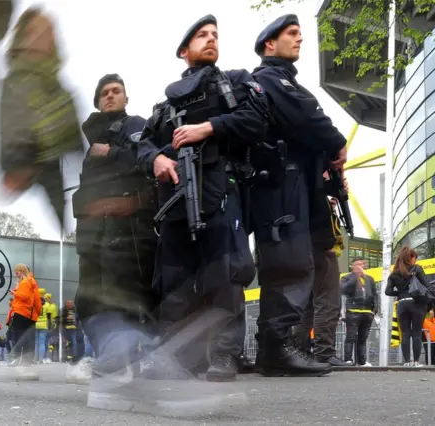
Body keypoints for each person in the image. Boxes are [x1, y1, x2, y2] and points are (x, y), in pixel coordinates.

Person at [137, 14, 267, 383]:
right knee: (174, 280)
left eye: (215, 35)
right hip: (176, 198)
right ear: (184, 51)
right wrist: (157, 159)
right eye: (201, 36)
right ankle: (174, 358)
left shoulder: (236, 82)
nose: (211, 40)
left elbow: (257, 121)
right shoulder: (164, 107)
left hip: (220, 190)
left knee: (224, 275)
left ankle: (224, 355)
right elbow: (143, 145)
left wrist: (209, 127)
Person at [249, 14, 347, 376]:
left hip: (295, 184)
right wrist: (338, 143)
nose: (300, 39)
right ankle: (275, 349)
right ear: (269, 44)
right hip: (282, 185)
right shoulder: (270, 79)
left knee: (295, 264)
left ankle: (275, 349)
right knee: (288, 264)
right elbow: (307, 120)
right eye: (291, 34)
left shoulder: (282, 81)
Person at [69, 72, 157, 385]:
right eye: (104, 92)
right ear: (97, 100)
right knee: (88, 298)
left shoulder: (137, 126)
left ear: (125, 97)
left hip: (130, 231)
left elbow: (149, 159)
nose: (110, 96)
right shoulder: (90, 141)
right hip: (94, 234)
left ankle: (133, 357)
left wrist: (113, 153)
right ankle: (110, 354)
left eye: (116, 91)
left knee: (129, 293)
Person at [0, 7, 83, 232]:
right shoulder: (17, 81)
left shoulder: (61, 91)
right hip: (31, 182)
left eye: (50, 30)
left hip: (68, 181)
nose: (47, 36)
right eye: (38, 30)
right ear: (23, 37)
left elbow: (78, 141)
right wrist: (16, 165)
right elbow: (12, 128)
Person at [295, 196, 347, 366]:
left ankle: (299, 352)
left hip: (304, 249)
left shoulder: (300, 187)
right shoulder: (317, 183)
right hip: (322, 249)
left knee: (308, 306)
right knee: (327, 302)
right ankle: (324, 353)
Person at [385, 247, 435, 366]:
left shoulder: (394, 273)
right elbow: (427, 285)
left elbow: (388, 291)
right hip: (416, 303)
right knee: (416, 333)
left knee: (405, 333)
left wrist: (402, 294)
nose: (415, 261)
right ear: (410, 257)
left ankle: (407, 362)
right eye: (415, 258)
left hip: (402, 304)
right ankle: (416, 361)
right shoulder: (416, 269)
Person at [340, 256, 378, 366]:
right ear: (352, 266)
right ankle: (348, 360)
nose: (359, 267)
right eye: (357, 265)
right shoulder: (346, 278)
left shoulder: (370, 279)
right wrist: (355, 276)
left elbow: (375, 295)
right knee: (350, 337)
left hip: (367, 312)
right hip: (353, 311)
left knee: (363, 338)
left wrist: (374, 310)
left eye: (361, 264)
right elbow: (345, 290)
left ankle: (361, 361)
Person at [8, 264, 41, 380]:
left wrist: (15, 293)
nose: (16, 275)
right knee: (27, 339)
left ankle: (18, 360)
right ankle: (26, 362)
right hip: (29, 314)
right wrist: (37, 312)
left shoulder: (25, 282)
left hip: (22, 313)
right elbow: (36, 299)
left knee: (19, 337)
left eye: (17, 272)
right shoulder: (30, 282)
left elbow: (25, 296)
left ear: (22, 271)